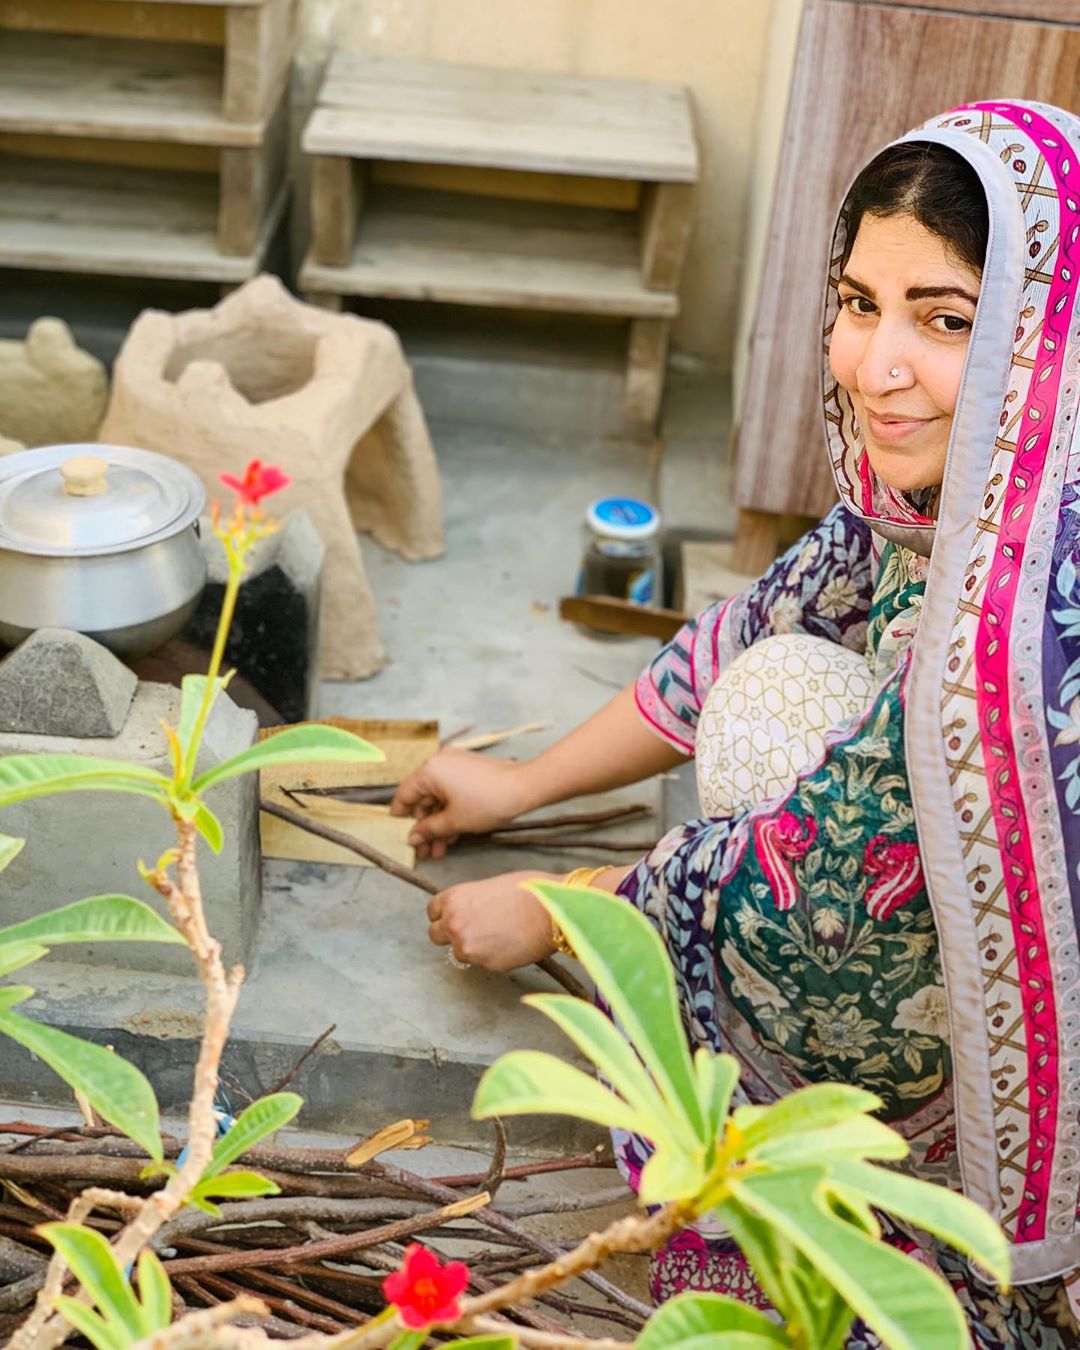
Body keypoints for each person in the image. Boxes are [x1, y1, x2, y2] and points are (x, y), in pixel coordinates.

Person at [392, 101, 1080, 1345]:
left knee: (803, 818)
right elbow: (740, 639)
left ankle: (920, 1207)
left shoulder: (1029, 597)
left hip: (1044, 1067)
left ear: (1043, 334)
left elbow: (823, 879)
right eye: (861, 302)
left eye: (947, 321)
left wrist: (566, 906)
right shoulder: (943, 501)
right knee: (775, 686)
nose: (876, 365)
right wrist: (518, 789)